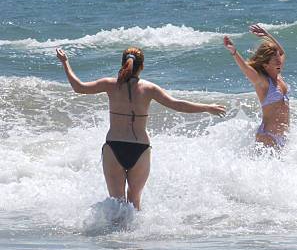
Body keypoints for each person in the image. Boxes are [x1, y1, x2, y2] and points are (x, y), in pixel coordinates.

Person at [56, 47, 226, 210]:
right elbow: (177, 105)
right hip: (140, 148)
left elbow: (78, 87)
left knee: (116, 203)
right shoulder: (149, 88)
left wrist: (65, 62)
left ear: (122, 63)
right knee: (134, 201)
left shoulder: (110, 84)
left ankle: (113, 238)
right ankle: (135, 238)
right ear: (142, 66)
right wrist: (206, 107)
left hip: (114, 146)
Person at [223, 24, 289, 149]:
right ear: (265, 65)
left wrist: (267, 35)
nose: (279, 62)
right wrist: (234, 52)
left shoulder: (278, 76)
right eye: (275, 61)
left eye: (279, 61)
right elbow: (246, 69)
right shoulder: (263, 82)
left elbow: (281, 52)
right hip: (268, 137)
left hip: (283, 137)